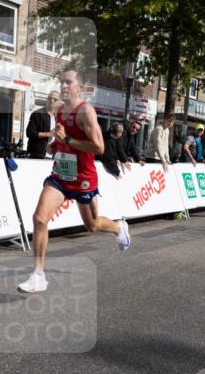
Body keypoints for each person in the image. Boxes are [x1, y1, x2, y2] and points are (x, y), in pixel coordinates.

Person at [18, 67, 131, 293]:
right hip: (61, 174)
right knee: (39, 218)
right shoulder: (59, 111)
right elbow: (63, 142)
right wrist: (56, 146)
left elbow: (99, 147)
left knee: (92, 225)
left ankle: (119, 227)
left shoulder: (85, 112)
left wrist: (67, 139)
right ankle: (38, 275)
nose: (64, 86)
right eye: (62, 82)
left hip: (83, 178)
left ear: (80, 88)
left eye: (69, 82)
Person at [26, 91, 60, 159]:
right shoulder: (37, 114)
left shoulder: (58, 116)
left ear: (58, 102)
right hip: (37, 154)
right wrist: (48, 134)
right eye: (50, 98)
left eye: (55, 99)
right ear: (47, 99)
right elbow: (29, 133)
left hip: (53, 155)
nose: (52, 101)